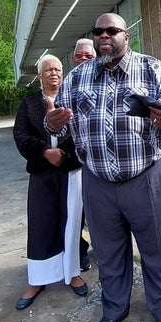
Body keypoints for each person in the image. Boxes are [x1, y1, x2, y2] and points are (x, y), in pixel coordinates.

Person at [46, 13, 161, 322]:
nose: (104, 36)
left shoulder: (153, 70)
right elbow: (62, 124)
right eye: (98, 31)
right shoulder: (76, 78)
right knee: (109, 252)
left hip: (148, 178)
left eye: (112, 30)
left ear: (126, 36)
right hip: (97, 181)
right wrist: (53, 125)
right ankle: (114, 309)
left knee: (156, 251)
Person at [12, 55, 89, 310]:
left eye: (57, 69)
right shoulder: (30, 104)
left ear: (63, 73)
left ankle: (73, 273)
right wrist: (45, 151)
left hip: (70, 171)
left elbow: (85, 133)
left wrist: (64, 155)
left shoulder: (74, 100)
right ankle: (38, 278)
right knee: (41, 223)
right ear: (40, 75)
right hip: (41, 172)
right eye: (47, 70)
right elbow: (21, 135)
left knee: (72, 223)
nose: (53, 73)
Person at [69, 37, 96, 270]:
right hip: (68, 165)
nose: (85, 59)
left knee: (98, 215)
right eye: (81, 55)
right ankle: (78, 252)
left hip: (95, 166)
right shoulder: (68, 85)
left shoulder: (101, 82)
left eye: (90, 56)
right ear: (73, 58)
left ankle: (102, 248)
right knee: (73, 216)